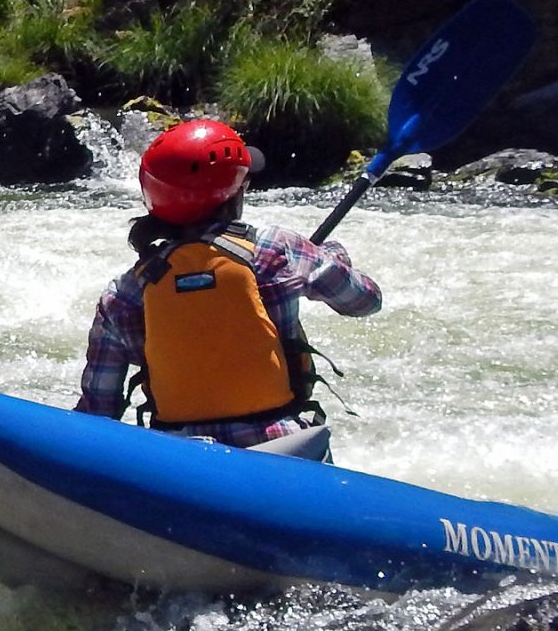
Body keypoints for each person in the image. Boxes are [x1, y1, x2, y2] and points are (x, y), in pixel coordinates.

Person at [74, 118, 381, 451]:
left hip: (177, 458)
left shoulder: (124, 293)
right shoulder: (277, 248)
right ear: (235, 194)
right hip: (284, 448)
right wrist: (332, 256)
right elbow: (365, 301)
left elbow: (97, 411)